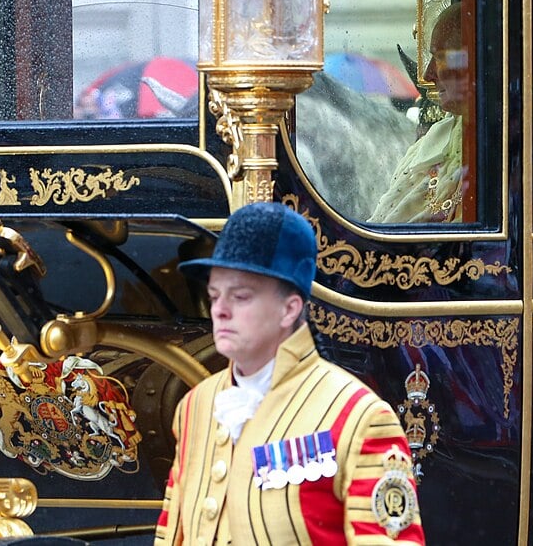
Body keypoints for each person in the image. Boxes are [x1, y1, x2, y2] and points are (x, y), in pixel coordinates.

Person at [154, 202, 424, 546]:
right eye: (214, 295)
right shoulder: (194, 406)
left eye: (240, 296)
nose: (219, 310)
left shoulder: (360, 417)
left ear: (290, 308)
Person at [370, 3, 471, 223]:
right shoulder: (428, 145)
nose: (428, 73)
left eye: (441, 57)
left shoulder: (513, 150)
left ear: (471, 61)